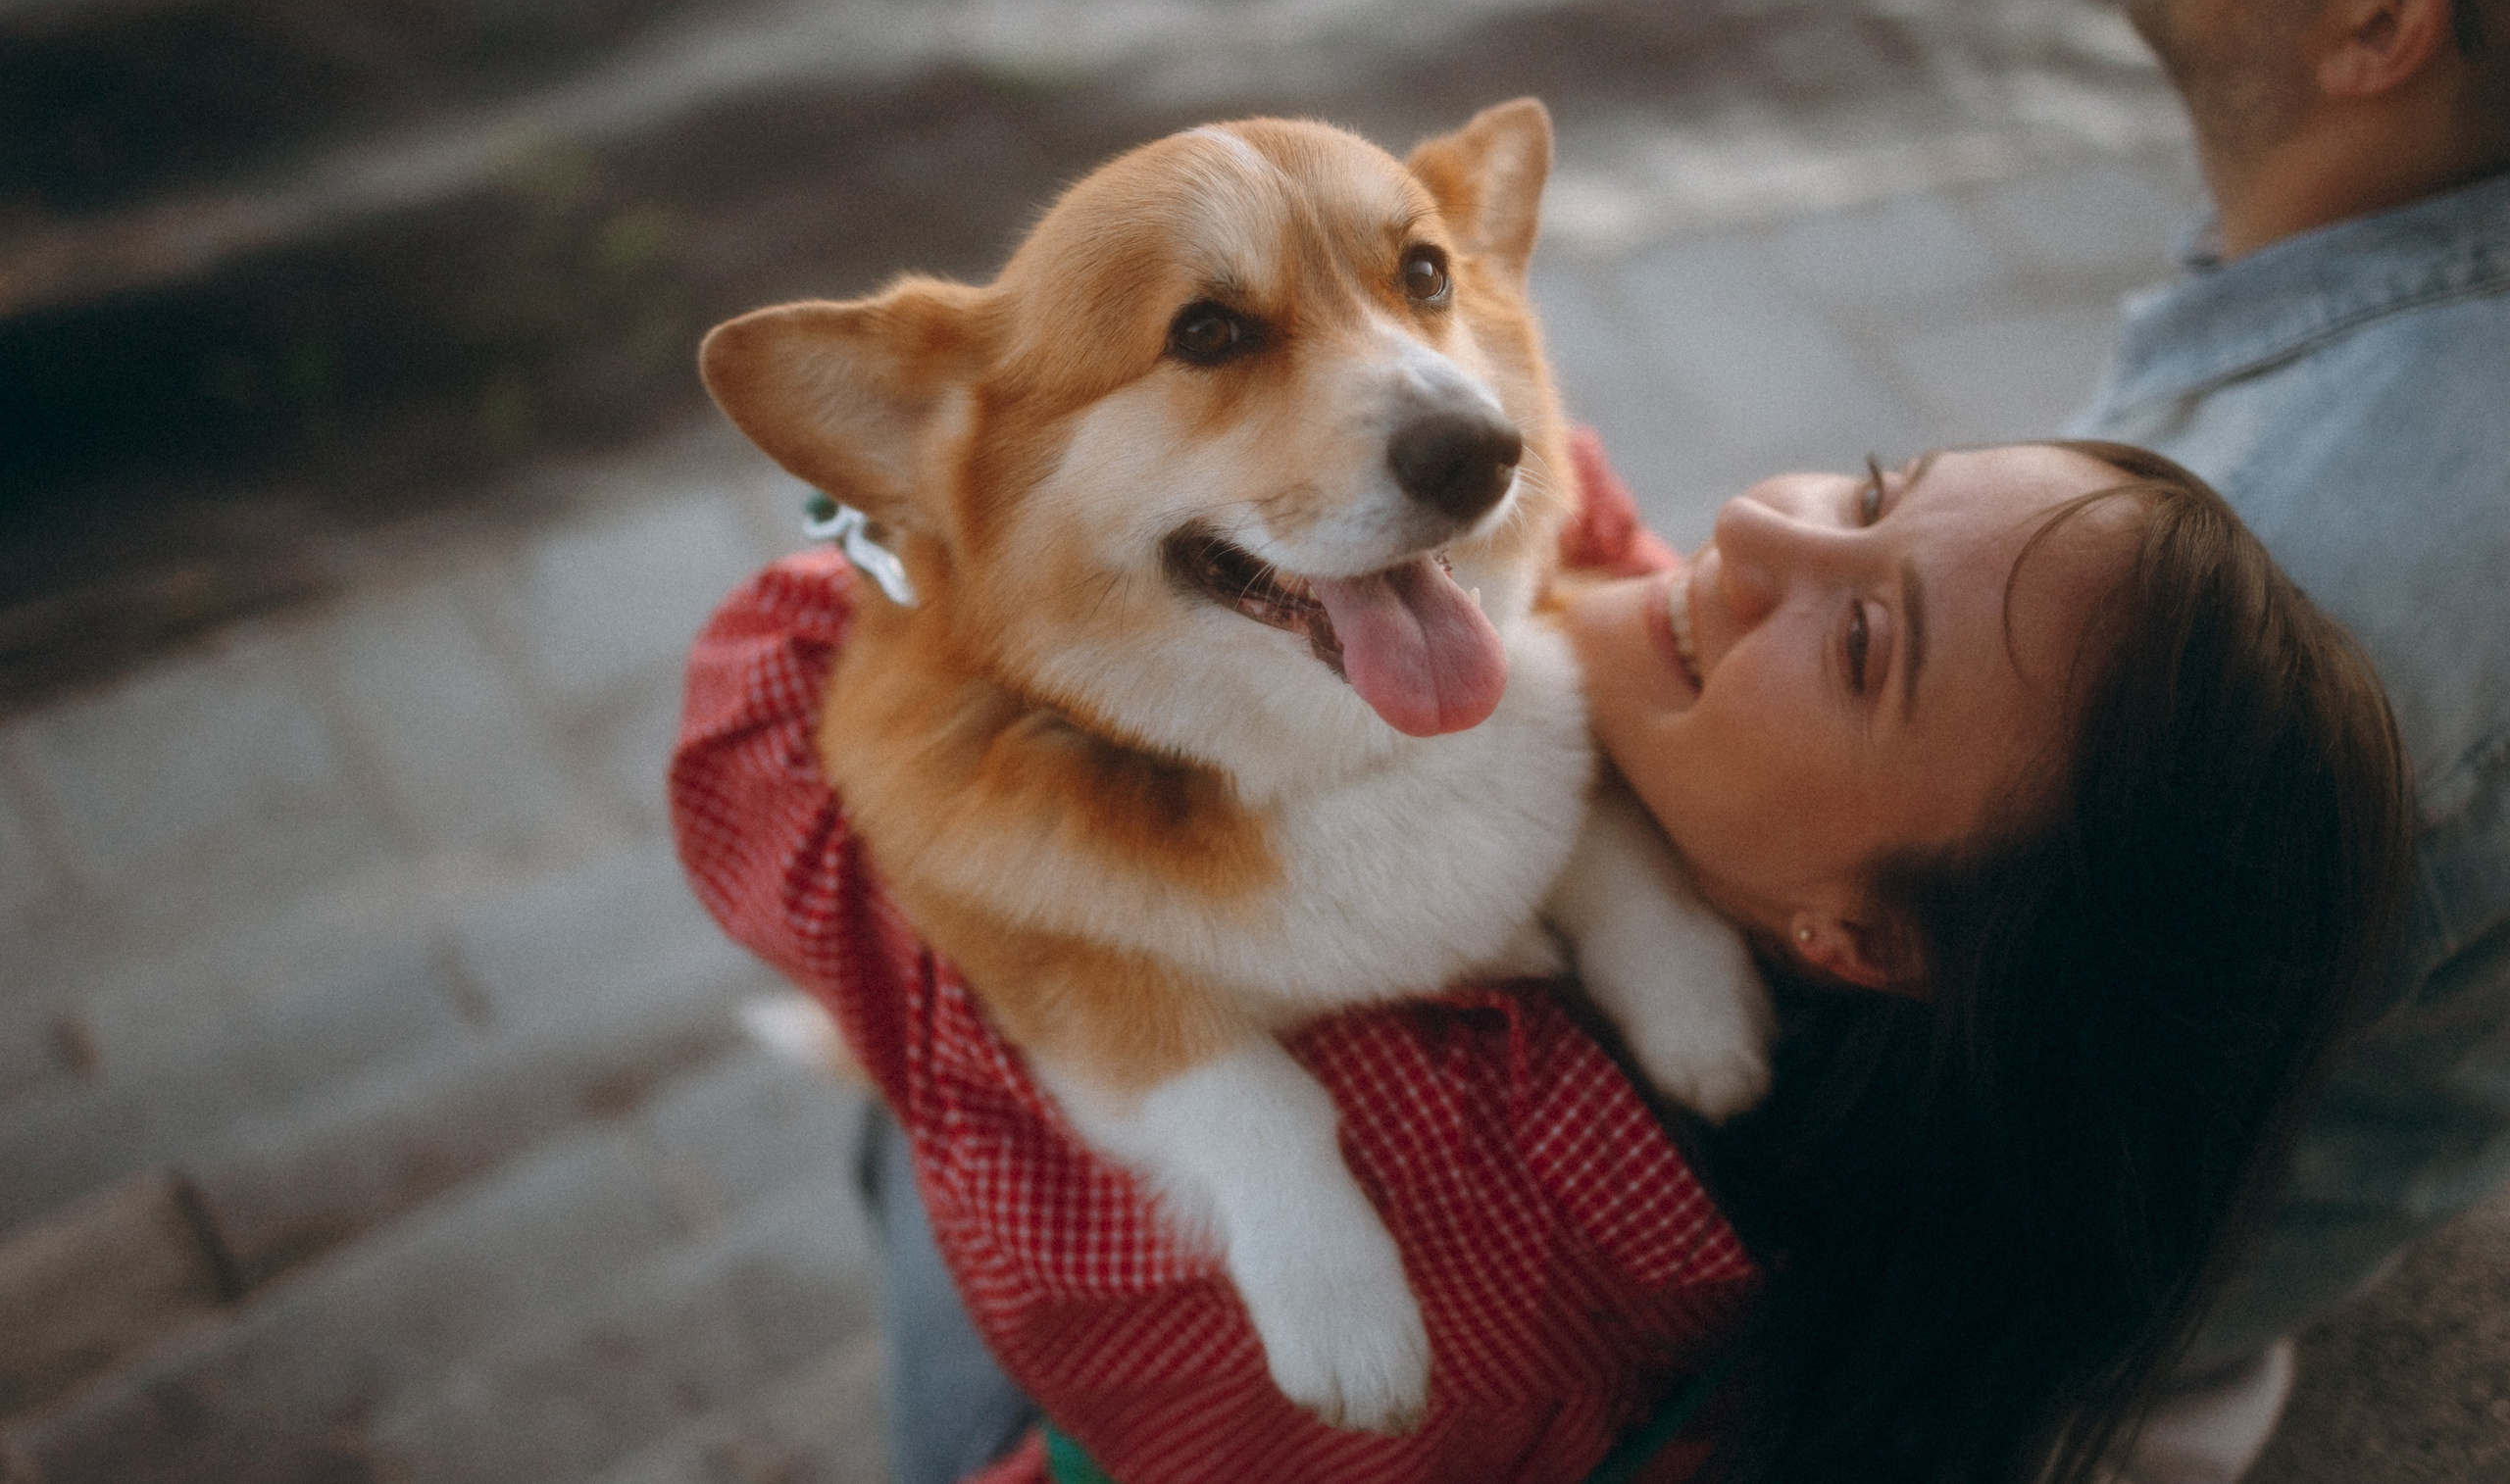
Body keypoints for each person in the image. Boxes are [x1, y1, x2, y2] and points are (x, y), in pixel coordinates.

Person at [670, 434, 2412, 1484]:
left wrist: (967, 456)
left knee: (901, 1107)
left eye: (1867, 636)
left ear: (1863, 938)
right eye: (1875, 486)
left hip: (1125, 1377)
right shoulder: (1859, 1022)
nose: (1754, 531)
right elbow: (1591, 526)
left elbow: (770, 770)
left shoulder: (1466, 1198)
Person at [2077, 0, 2510, 1472]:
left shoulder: (2305, 572)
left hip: (2085, 1294)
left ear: (2380, 28)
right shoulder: (2376, 243)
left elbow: (1985, 1097)